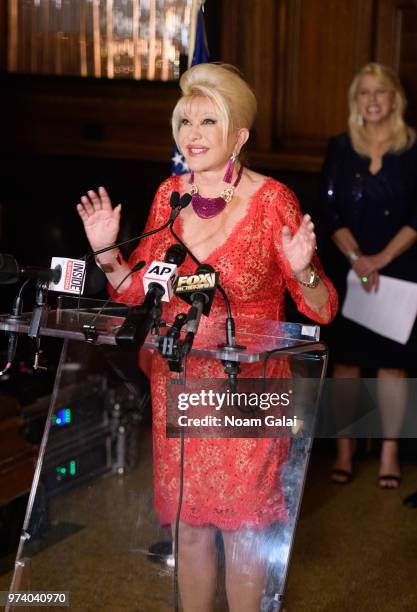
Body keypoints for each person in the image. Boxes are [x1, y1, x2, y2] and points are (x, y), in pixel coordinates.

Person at [77, 63, 337, 612]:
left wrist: (305, 269)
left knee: (244, 529)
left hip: (249, 389)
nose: (191, 133)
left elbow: (324, 308)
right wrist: (107, 253)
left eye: (207, 121)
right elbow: (138, 293)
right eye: (185, 120)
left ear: (238, 136)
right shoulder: (169, 196)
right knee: (191, 527)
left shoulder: (273, 202)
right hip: (181, 381)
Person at [322, 62, 417, 489]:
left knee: (392, 368)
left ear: (395, 98)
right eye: (365, 92)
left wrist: (380, 259)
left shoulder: (414, 149)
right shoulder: (340, 147)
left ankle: (389, 452)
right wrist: (359, 257)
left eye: (381, 92)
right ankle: (346, 448)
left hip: (400, 270)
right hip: (349, 269)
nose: (373, 100)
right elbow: (329, 211)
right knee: (346, 364)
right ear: (355, 100)